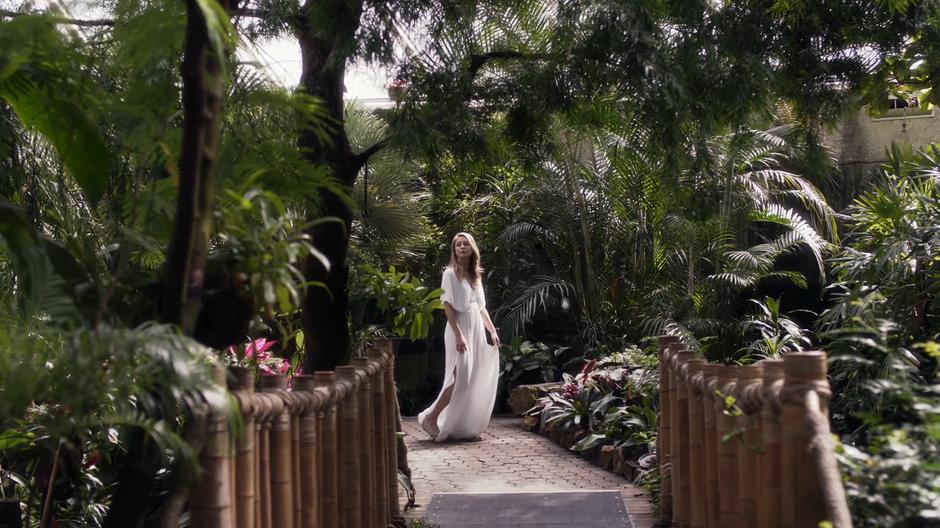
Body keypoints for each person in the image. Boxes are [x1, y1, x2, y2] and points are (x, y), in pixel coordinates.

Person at [418, 232, 500, 442]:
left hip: (476, 329)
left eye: (465, 244)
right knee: (458, 377)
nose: (461, 247)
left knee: (472, 378)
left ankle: (463, 427)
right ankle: (431, 417)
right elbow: (447, 306)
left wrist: (492, 331)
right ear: (454, 250)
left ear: (472, 248)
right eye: (458, 245)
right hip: (459, 327)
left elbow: (481, 308)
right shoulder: (449, 274)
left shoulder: (475, 275)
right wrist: (458, 335)